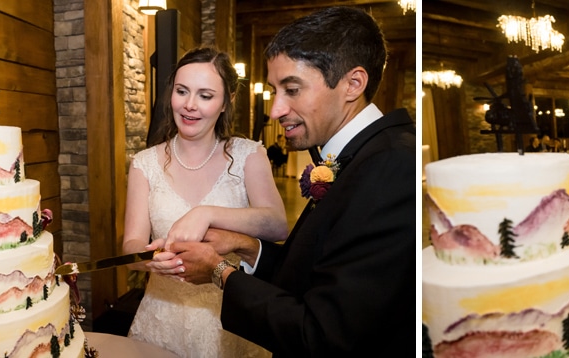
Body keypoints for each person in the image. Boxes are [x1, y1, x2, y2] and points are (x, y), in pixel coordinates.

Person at [150, 7, 414, 357]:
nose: (275, 110)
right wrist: (245, 246)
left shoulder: (391, 166)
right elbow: (315, 273)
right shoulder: (362, 157)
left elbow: (323, 335)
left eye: (292, 89)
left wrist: (218, 272)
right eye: (275, 90)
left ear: (353, 84)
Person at [122, 48, 288, 357]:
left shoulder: (248, 156)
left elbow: (278, 224)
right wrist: (149, 260)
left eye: (205, 95)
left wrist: (207, 213)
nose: (189, 105)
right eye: (182, 91)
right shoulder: (144, 163)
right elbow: (130, 245)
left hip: (231, 319)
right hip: (162, 318)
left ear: (226, 102)